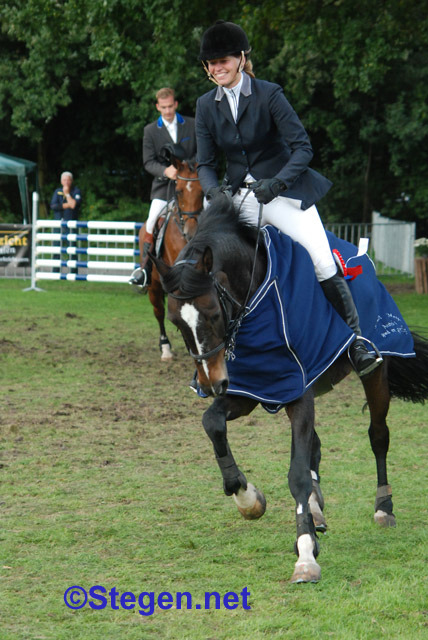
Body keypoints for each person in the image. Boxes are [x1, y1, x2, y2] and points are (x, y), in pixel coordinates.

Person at [195, 20, 382, 377]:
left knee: (321, 260)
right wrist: (213, 191)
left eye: (224, 60)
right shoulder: (206, 105)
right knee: (212, 261)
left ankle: (356, 343)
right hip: (240, 195)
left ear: (241, 58)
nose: (218, 67)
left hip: (282, 192)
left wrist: (278, 184)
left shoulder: (269, 94)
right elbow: (205, 163)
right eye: (211, 62)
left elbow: (303, 148)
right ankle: (214, 352)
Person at [129, 87, 197, 287]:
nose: (168, 111)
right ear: (158, 107)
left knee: (211, 212)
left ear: (175, 104)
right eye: (164, 107)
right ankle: (144, 270)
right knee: (151, 222)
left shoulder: (191, 125)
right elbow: (148, 162)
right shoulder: (150, 131)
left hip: (191, 184)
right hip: (164, 186)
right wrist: (165, 171)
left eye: (170, 106)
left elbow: (202, 153)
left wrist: (185, 170)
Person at [50, 171, 82, 274]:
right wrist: (67, 204)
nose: (66, 182)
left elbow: (74, 205)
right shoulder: (57, 191)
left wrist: (67, 194)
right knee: (56, 248)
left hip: (71, 224)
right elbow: (53, 206)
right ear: (61, 181)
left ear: (71, 181)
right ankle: (55, 272)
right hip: (58, 223)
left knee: (72, 248)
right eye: (64, 180)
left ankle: (73, 272)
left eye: (68, 180)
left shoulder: (76, 191)